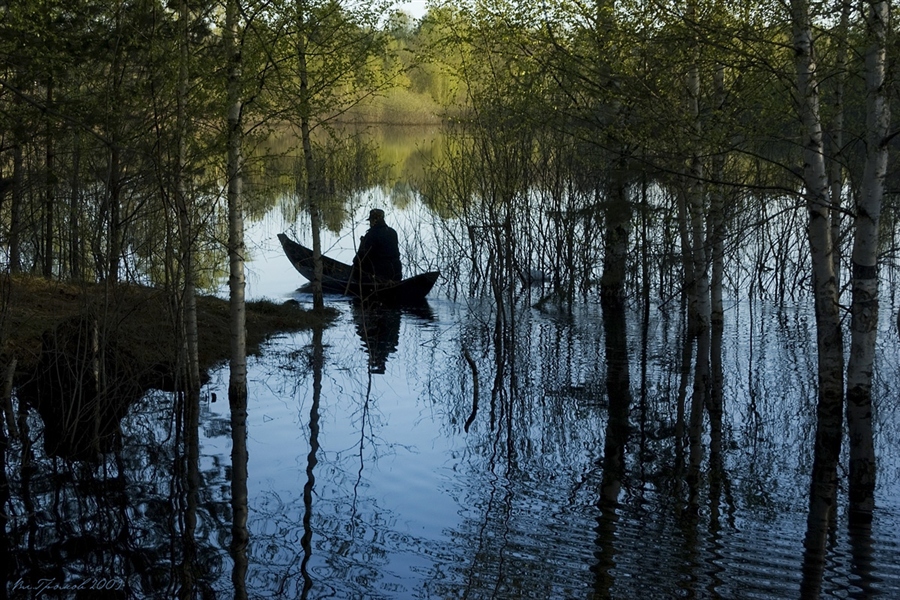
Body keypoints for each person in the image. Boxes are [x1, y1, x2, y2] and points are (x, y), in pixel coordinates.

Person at [353, 209, 402, 282]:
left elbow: (361, 258)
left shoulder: (371, 234)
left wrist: (355, 262)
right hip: (396, 273)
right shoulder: (392, 232)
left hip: (378, 276)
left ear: (373, 221)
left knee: (357, 269)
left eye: (370, 221)